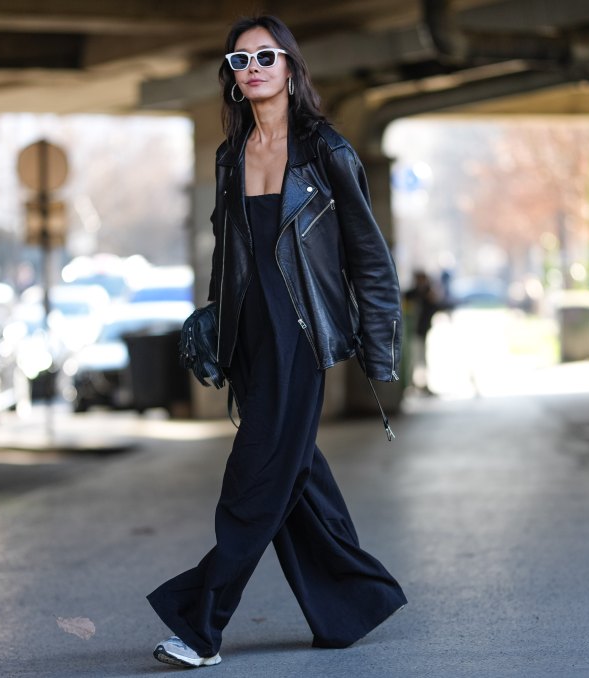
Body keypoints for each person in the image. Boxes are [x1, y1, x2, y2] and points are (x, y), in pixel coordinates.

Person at [146, 15, 407, 669]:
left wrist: (380, 350)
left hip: (300, 334)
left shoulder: (327, 152)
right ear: (232, 79)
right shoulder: (231, 155)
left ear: (290, 66)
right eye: (240, 61)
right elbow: (226, 252)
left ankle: (200, 624)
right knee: (294, 475)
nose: (254, 68)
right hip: (249, 338)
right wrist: (214, 320)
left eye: (266, 56)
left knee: (253, 478)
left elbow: (370, 258)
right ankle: (356, 601)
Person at [404, 270, 442, 394]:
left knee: (422, 359)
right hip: (412, 332)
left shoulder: (428, 293)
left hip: (423, 330)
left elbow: (436, 306)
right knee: (413, 359)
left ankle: (423, 384)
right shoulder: (412, 294)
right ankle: (411, 384)